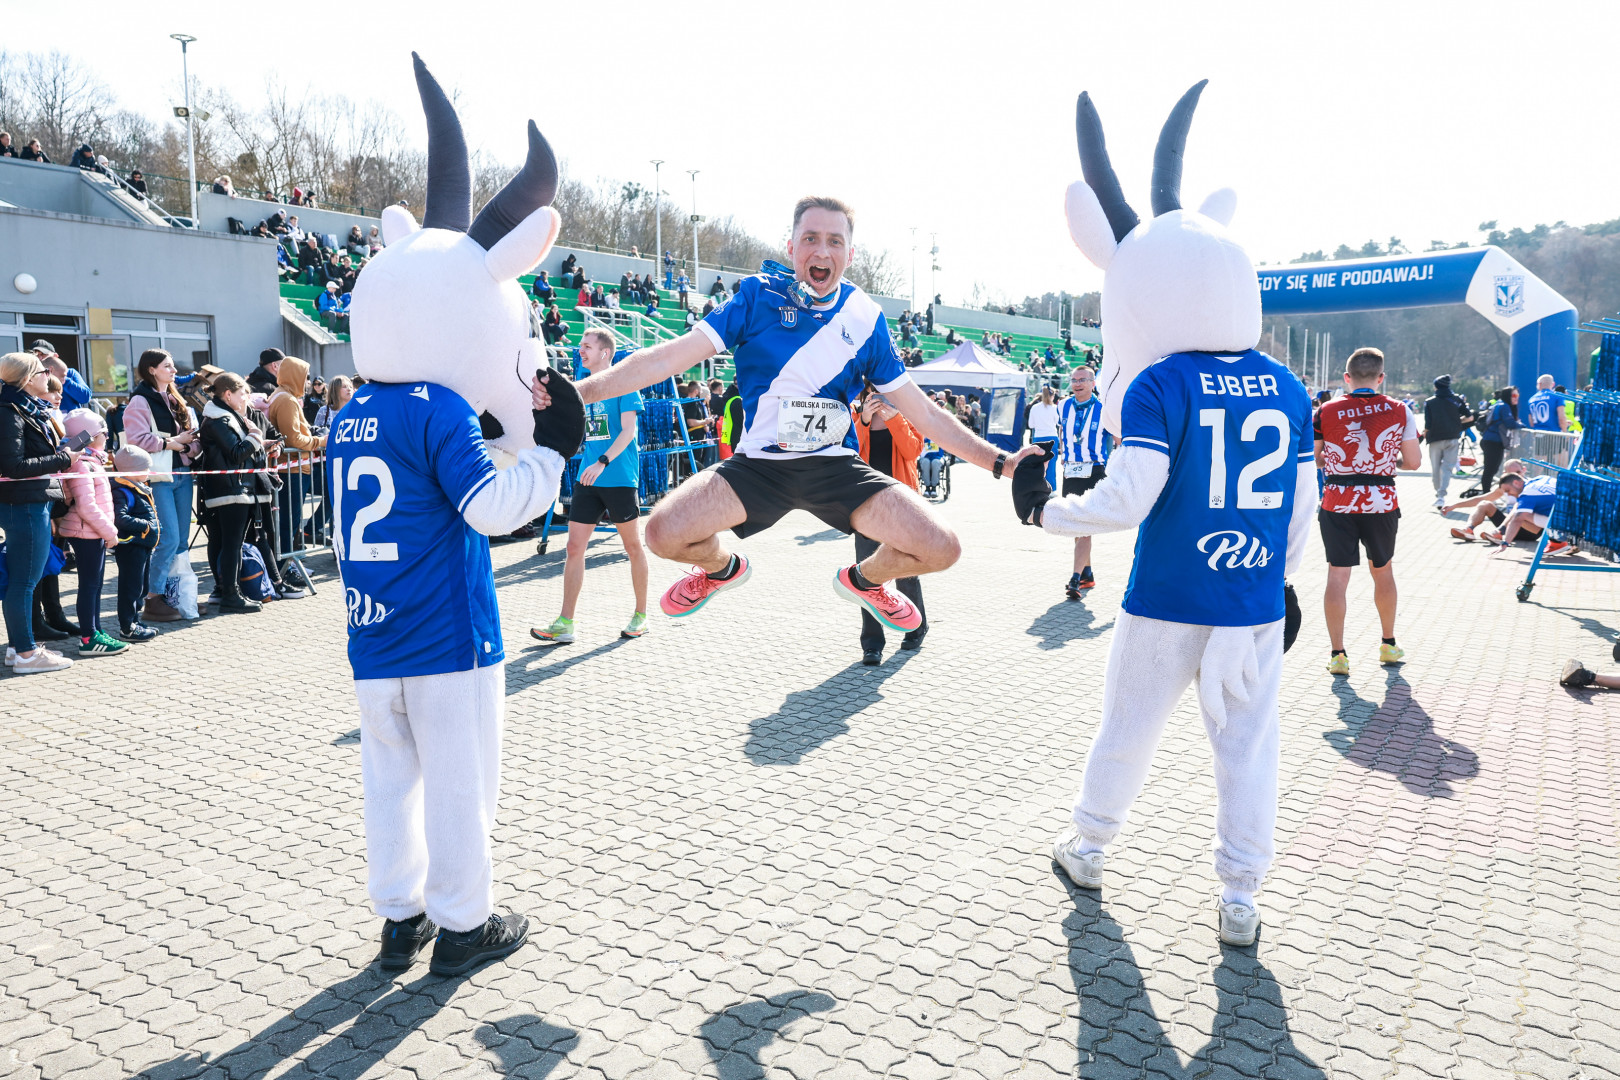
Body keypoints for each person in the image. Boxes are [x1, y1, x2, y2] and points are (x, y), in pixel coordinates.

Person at [554, 196, 1037, 632]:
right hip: (758, 466)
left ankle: (865, 580)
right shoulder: (756, 296)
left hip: (836, 467)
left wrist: (1002, 462)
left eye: (834, 241)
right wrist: (576, 394)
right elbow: (662, 360)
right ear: (791, 247)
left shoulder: (865, 318)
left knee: (942, 548)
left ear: (850, 254)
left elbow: (924, 414)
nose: (822, 251)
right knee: (661, 534)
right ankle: (722, 569)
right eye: (810, 239)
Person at [532, 330, 650, 645]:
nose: (580, 350)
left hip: (618, 476)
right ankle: (565, 623)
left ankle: (641, 615)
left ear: (605, 352)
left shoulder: (625, 384)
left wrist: (602, 462)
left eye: (587, 346)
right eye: (580, 345)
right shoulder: (583, 389)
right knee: (574, 548)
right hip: (588, 478)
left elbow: (628, 431)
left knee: (632, 547)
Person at [1314, 347, 1420, 676]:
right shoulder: (1400, 410)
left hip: (1337, 500)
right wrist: (1387, 460)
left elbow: (1317, 459)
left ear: (1347, 378)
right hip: (1380, 501)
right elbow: (1414, 462)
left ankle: (1338, 654)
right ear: (1381, 378)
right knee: (1383, 571)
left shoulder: (1325, 410)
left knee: (1337, 575)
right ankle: (1388, 643)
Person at [0, 352, 78, 672]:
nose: (49, 375)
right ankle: (26, 654)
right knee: (24, 581)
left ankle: (18, 648)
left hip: (30, 501)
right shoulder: (10, 411)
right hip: (24, 505)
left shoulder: (22, 407)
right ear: (27, 379)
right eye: (43, 371)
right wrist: (64, 459)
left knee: (22, 580)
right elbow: (14, 466)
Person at [122, 348, 203, 623]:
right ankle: (153, 598)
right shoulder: (140, 401)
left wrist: (188, 447)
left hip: (183, 473)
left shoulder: (175, 397)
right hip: (159, 476)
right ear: (152, 369)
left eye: (172, 366)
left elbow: (192, 440)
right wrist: (174, 443)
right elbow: (136, 440)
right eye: (168, 366)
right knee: (167, 539)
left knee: (181, 540)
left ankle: (179, 597)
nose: (174, 370)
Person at [853, 385, 926, 662]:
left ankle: (916, 627)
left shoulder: (908, 412)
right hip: (866, 506)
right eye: (873, 389)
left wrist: (894, 418)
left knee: (906, 570)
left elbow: (913, 450)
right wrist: (864, 421)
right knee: (865, 575)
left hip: (901, 505)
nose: (878, 394)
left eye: (883, 389)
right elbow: (850, 454)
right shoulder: (855, 414)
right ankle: (872, 643)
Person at [198, 373, 279, 613]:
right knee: (231, 544)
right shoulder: (219, 419)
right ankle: (230, 595)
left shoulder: (226, 416)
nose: (246, 398)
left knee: (230, 544)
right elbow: (236, 453)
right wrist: (256, 437)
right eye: (243, 393)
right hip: (230, 490)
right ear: (228, 394)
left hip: (234, 488)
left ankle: (230, 592)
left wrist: (259, 443)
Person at [56, 409, 128, 655]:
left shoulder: (90, 461)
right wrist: (110, 532)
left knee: (94, 585)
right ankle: (88, 638)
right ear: (89, 437)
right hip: (86, 532)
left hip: (92, 531)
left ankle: (96, 631)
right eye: (104, 433)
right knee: (89, 585)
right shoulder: (82, 465)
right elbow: (86, 507)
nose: (107, 437)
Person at [265, 356, 322, 591]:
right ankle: (284, 571)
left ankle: (286, 567)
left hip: (293, 468)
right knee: (289, 523)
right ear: (295, 375)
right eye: (305, 377)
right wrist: (321, 441)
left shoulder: (282, 396)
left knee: (289, 523)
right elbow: (293, 439)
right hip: (293, 470)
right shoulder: (286, 400)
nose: (307, 382)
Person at [1056, 365, 1110, 597]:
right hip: (1071, 471)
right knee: (1076, 525)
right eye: (1074, 380)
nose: (1077, 384)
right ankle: (1087, 573)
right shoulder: (1062, 405)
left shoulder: (1104, 409)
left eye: (1082, 380)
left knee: (1084, 526)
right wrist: (1063, 453)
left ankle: (1075, 579)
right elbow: (1062, 431)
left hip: (1094, 470)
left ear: (1093, 383)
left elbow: (1119, 439)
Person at [110, 445, 161, 642]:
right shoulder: (122, 491)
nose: (149, 471)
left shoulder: (138, 487)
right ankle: (127, 627)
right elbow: (120, 518)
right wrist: (146, 526)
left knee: (141, 586)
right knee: (130, 587)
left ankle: (135, 621)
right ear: (132, 470)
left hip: (143, 545)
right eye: (145, 468)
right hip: (131, 546)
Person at [1421, 373, 1475, 508]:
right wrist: (1456, 422)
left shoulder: (1430, 402)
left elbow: (1428, 424)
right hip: (1452, 437)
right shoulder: (1457, 399)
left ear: (1436, 387)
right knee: (1447, 468)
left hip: (1435, 439)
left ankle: (1438, 494)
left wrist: (1423, 434)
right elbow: (1470, 417)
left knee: (1436, 468)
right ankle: (1441, 495)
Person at [1478, 386, 1521, 491]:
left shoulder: (1500, 404)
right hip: (1492, 442)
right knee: (1490, 470)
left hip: (1492, 441)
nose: (1516, 397)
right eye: (1514, 395)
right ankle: (1486, 494)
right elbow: (1510, 423)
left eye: (1517, 395)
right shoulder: (1504, 406)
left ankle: (1487, 493)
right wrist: (1521, 425)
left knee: (1492, 469)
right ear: (1507, 396)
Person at [33, 342, 91, 413]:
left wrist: (62, 378)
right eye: (36, 355)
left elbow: (85, 398)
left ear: (55, 355)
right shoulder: (31, 378)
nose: (39, 358)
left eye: (43, 354)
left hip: (71, 418)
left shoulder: (70, 373)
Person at [1026, 384, 1060, 487]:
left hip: (1038, 438)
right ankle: (1051, 487)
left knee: (1038, 464)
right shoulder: (1055, 408)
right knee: (1051, 464)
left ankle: (1037, 486)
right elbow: (1058, 423)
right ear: (1052, 396)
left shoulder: (1035, 407)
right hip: (1052, 437)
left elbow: (1031, 425)